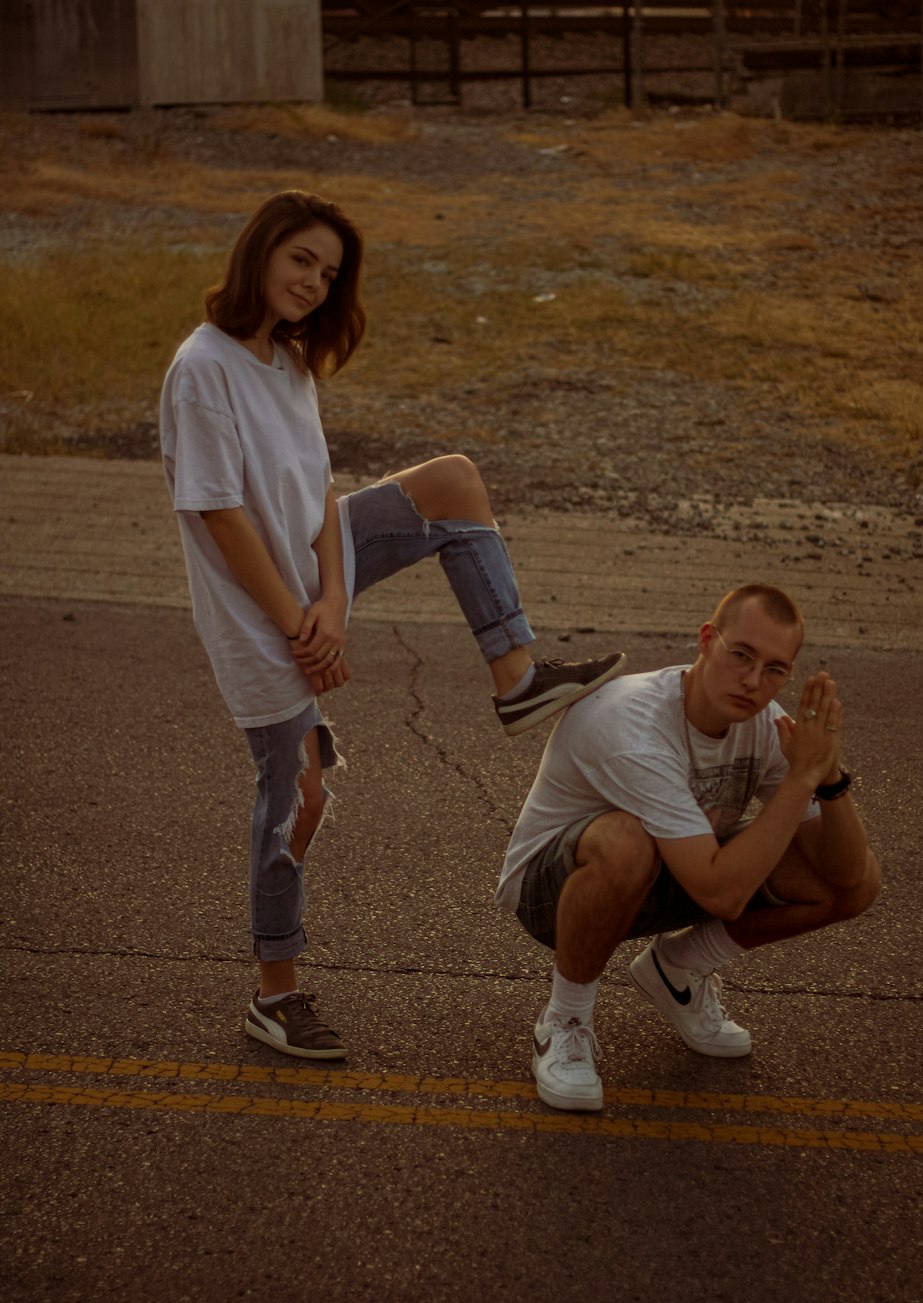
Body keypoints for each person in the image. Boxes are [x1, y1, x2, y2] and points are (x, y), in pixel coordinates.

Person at [159, 189, 625, 1062]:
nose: (312, 281)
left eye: (328, 273)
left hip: (308, 585)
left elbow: (323, 495)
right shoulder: (203, 365)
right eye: (301, 259)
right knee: (296, 798)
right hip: (257, 610)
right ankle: (277, 993)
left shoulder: (288, 364)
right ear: (259, 250)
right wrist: (304, 623)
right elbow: (222, 515)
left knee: (452, 479)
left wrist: (335, 600)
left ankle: (518, 679)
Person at [496, 583, 880, 1111]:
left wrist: (829, 777)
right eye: (740, 655)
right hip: (555, 895)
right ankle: (564, 1020)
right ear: (706, 640)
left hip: (674, 870)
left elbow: (845, 874)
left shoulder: (765, 727)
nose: (752, 681)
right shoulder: (634, 724)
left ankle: (677, 969)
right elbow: (721, 895)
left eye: (774, 669)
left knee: (859, 883)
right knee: (626, 842)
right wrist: (799, 781)